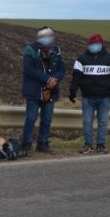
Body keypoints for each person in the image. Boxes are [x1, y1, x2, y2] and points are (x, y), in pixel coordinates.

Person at [68, 34, 110, 154]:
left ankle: (101, 145)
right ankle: (88, 145)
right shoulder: (81, 60)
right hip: (87, 97)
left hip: (105, 97)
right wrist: (72, 92)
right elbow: (76, 78)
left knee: (103, 122)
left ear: (102, 44)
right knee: (87, 122)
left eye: (97, 44)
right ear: (88, 45)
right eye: (92, 44)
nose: (95, 46)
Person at [21, 26, 67, 154]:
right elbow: (29, 69)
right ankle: (26, 145)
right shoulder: (30, 50)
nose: (48, 39)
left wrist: (54, 79)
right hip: (34, 91)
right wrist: (47, 79)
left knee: (47, 118)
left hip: (50, 91)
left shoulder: (56, 50)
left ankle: (43, 144)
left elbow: (62, 68)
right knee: (31, 118)